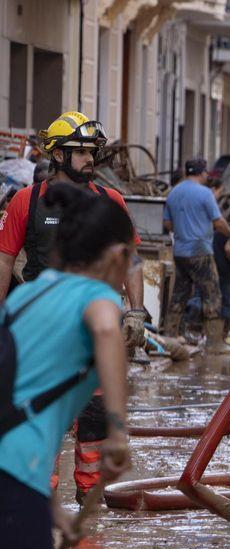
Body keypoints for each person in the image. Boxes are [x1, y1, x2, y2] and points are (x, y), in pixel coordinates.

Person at [0, 184, 133, 549]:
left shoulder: (25, 296)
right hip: (12, 485)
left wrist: (54, 513)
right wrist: (118, 429)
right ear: (117, 255)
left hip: (16, 482)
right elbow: (104, 328)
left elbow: (16, 403)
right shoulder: (97, 298)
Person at [0, 111, 145, 502]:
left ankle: (89, 504)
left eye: (92, 152)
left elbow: (131, 256)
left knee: (93, 423)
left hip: (87, 334)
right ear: (58, 156)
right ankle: (40, 502)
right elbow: (3, 260)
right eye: (80, 152)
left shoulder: (109, 201)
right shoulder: (25, 204)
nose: (90, 159)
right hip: (42, 334)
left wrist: (135, 311)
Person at [162, 156, 230, 353]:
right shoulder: (205, 193)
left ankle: (169, 337)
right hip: (201, 251)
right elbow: (218, 222)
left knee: (179, 295)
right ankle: (214, 342)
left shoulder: (173, 193)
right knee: (212, 295)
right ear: (202, 174)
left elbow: (168, 224)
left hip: (180, 252)